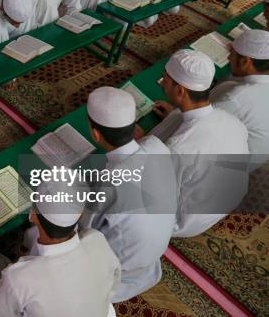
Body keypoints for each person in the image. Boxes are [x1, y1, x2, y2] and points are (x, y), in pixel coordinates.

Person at [80, 87, 177, 302]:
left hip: (117, 271)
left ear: (96, 134)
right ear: (134, 127)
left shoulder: (107, 184)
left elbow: (84, 230)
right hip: (152, 257)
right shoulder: (157, 147)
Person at [0, 180, 121, 317]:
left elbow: (6, 311)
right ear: (80, 215)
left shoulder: (16, 279)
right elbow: (114, 283)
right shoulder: (96, 239)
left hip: (18, 284)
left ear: (32, 215)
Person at [153, 50, 249, 237]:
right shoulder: (231, 121)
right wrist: (174, 114)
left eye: (165, 80)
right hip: (224, 202)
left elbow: (157, 190)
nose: (162, 83)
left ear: (180, 90)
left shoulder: (179, 149)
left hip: (184, 221)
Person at [210, 30, 269, 167]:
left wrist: (174, 114)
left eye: (232, 54)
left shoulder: (237, 97)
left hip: (225, 166)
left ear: (245, 62)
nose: (229, 58)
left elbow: (197, 125)